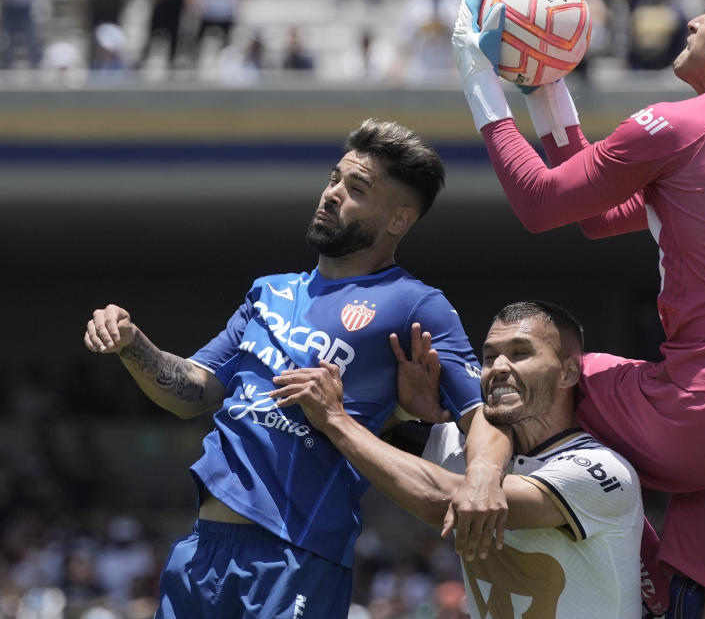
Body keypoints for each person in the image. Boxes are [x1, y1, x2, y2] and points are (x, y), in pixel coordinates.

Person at [449, 0, 705, 618]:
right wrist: (546, 88)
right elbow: (599, 214)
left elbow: (543, 203)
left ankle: (574, 523)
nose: (690, 23)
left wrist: (478, 78)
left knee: (538, 373)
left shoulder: (680, 122)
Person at [83, 118, 508, 619]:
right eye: (334, 178)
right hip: (201, 552)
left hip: (296, 556)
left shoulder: (416, 304)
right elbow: (193, 391)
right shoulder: (269, 291)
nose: (332, 194)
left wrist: (483, 476)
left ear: (398, 220)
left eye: (356, 188)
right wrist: (133, 343)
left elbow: (482, 412)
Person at [269, 300, 646, 618]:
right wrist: (402, 411)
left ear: (568, 372)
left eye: (520, 353)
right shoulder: (463, 443)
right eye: (489, 356)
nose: (498, 368)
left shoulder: (599, 472)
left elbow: (449, 503)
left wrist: (335, 418)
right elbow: (374, 439)